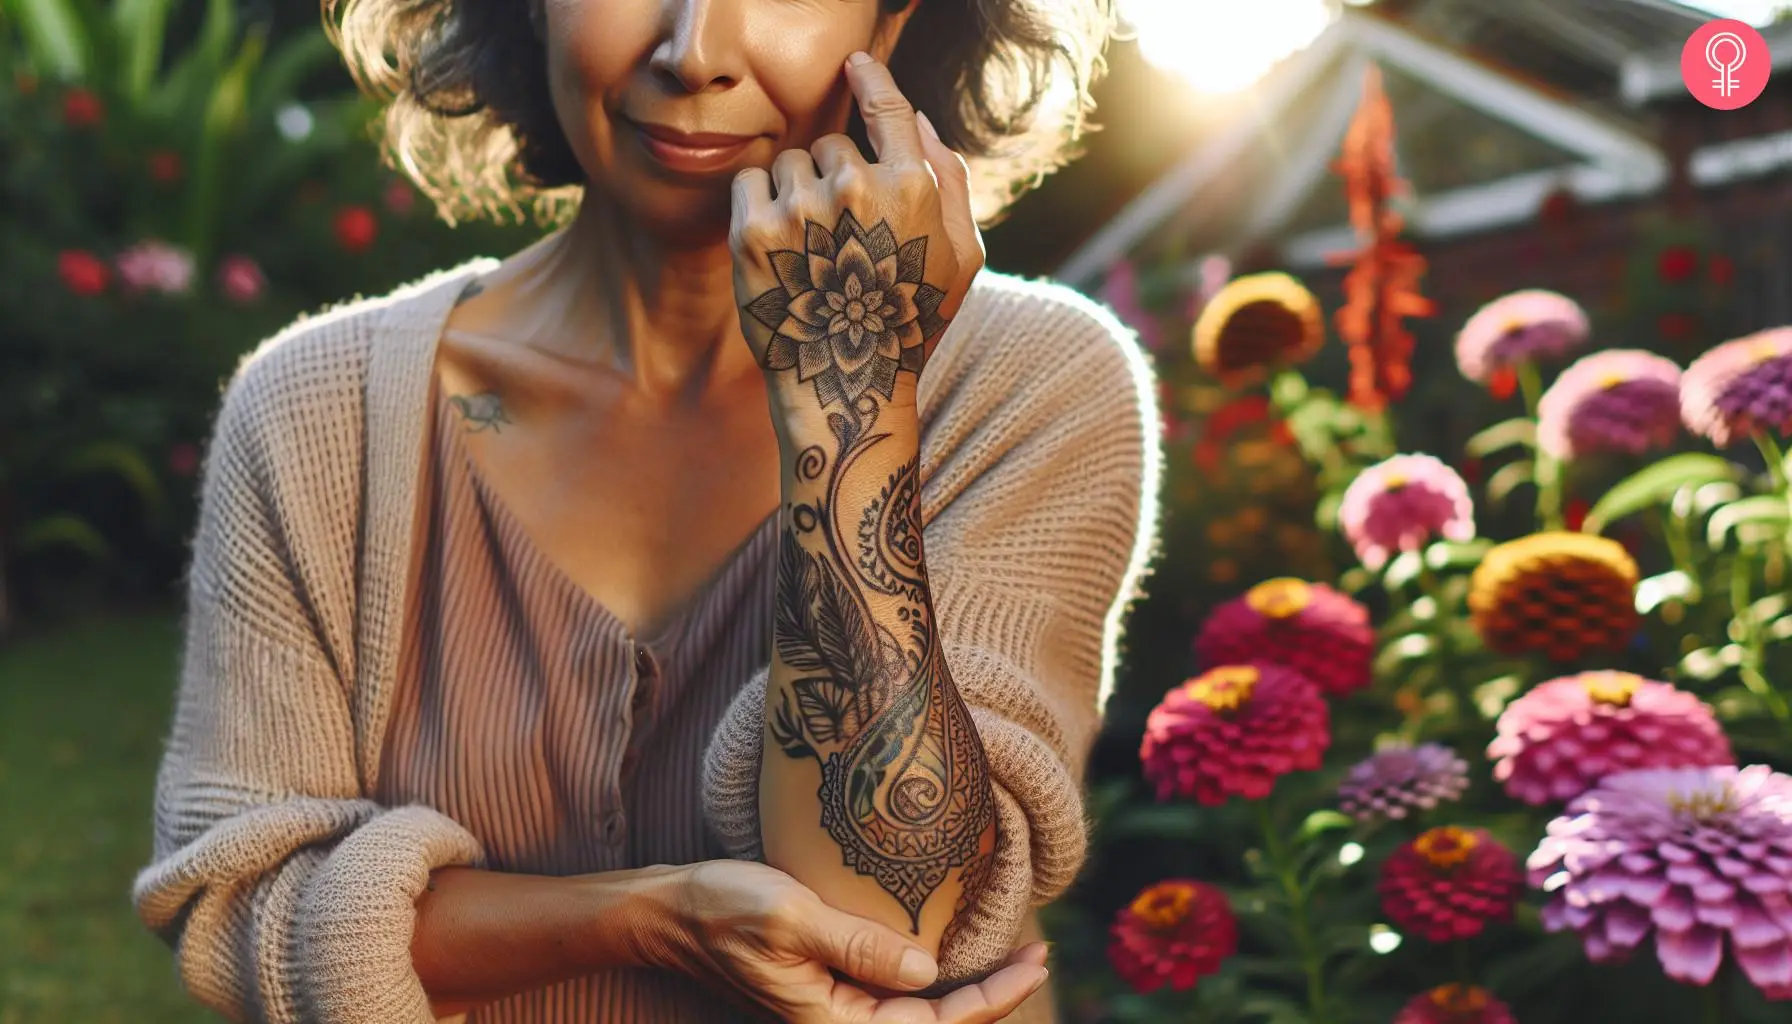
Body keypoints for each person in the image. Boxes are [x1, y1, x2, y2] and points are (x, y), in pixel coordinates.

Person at [132, 0, 1159, 1021]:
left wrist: (849, 397)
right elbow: (243, 902)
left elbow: (886, 903)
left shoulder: (1035, 384)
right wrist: (645, 916)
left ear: (893, 24)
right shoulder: (322, 410)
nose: (695, 53)